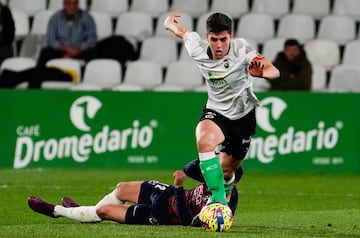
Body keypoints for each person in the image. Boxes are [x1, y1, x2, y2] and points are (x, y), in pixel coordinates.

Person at [164, 11, 280, 204]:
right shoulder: (197, 49)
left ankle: (225, 188)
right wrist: (169, 23)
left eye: (223, 39)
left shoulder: (241, 49)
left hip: (243, 117)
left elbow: (274, 70)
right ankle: (218, 201)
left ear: (231, 37)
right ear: (207, 37)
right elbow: (183, 32)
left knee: (228, 171)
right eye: (214, 39)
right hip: (216, 111)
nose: (219, 45)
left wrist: (262, 74)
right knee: (204, 141)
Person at [27, 167, 240, 226]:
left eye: (224, 176)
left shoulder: (219, 209)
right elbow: (192, 166)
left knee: (103, 211)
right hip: (164, 193)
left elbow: (186, 221)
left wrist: (178, 187)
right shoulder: (214, 178)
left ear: (233, 183)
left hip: (161, 214)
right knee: (121, 188)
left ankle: (57, 211)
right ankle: (83, 210)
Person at [37, 0, 97, 67]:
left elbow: (92, 39)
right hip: (61, 51)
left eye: (75, 4)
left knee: (94, 53)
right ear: (64, 4)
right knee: (45, 53)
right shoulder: (55, 18)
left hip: (80, 51)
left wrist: (78, 49)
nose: (72, 7)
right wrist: (66, 49)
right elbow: (51, 40)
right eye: (69, 4)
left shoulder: (87, 18)